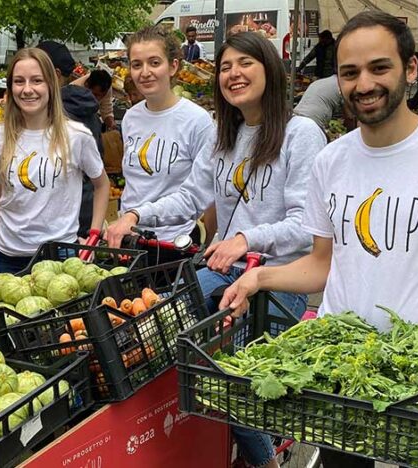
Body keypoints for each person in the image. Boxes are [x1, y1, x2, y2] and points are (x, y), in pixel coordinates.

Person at [221, 11, 418, 467]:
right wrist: (258, 280)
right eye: (349, 73)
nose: (364, 83)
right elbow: (321, 263)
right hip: (341, 378)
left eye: (379, 67)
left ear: (410, 70)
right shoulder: (331, 161)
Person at [107, 30, 326, 468]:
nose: (233, 74)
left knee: (229, 380)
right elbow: (190, 197)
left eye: (245, 63)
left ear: (269, 68)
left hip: (278, 279)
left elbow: (306, 227)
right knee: (154, 330)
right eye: (225, 67)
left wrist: (248, 238)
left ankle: (268, 462)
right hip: (223, 269)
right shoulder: (224, 134)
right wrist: (135, 215)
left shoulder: (301, 134)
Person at [0, 48, 109, 275]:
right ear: (10, 88)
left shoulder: (76, 136)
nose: (27, 89)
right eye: (19, 81)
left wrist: (93, 236)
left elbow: (102, 184)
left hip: (62, 257)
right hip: (9, 259)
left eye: (37, 80)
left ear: (51, 85)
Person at [108, 26, 215, 257]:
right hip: (130, 240)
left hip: (172, 244)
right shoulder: (130, 118)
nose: (145, 72)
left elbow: (204, 193)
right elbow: (136, 182)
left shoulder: (197, 121)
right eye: (137, 64)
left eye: (154, 63)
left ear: (173, 66)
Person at [37, 40, 104, 240]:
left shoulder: (59, 113)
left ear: (56, 74)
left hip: (62, 219)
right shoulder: (87, 109)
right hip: (81, 212)